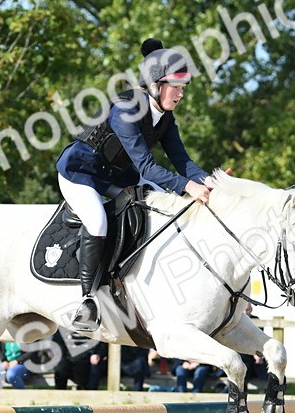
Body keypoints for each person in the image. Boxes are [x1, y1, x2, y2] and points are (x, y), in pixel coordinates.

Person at [56, 38, 213, 331]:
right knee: (98, 221)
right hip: (80, 173)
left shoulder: (165, 119)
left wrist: (211, 182)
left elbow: (183, 161)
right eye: (176, 87)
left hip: (116, 175)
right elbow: (147, 167)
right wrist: (187, 187)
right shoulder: (126, 109)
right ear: (155, 84)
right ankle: (88, 300)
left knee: (152, 205)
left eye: (183, 88)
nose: (180, 94)